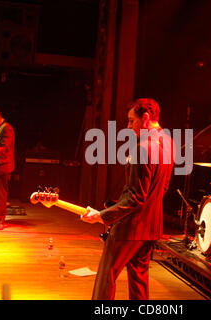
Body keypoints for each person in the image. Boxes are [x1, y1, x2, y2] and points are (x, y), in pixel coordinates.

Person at [81, 98, 174, 300]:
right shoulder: (168, 143)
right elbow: (162, 188)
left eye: (132, 121)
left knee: (107, 276)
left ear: (146, 118)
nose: (129, 127)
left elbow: (134, 198)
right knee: (139, 279)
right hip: (151, 227)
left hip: (131, 228)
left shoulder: (142, 148)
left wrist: (103, 216)